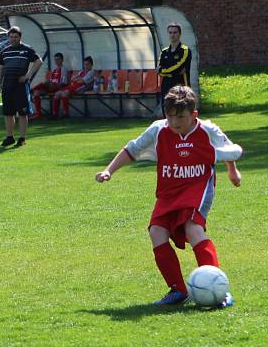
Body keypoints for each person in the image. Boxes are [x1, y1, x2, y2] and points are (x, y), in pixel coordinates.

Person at [95, 86, 242, 308]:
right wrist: (109, 170)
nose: (174, 122)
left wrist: (232, 170)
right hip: (168, 191)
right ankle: (178, 290)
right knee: (156, 232)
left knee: (193, 229)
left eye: (180, 117)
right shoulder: (158, 130)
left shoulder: (207, 130)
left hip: (197, 187)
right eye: (170, 116)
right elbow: (132, 150)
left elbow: (227, 148)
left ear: (194, 115)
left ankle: (219, 291)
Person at [0, 26, 42, 147]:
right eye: (11, 37)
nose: (13, 39)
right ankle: (9, 137)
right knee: (8, 113)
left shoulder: (27, 50)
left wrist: (27, 76)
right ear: (8, 38)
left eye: (15, 37)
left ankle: (22, 138)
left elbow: (39, 61)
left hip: (20, 86)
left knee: (22, 113)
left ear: (20, 37)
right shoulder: (5, 51)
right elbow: (0, 67)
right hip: (7, 86)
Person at [157, 22, 192, 116]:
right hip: (166, 84)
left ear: (180, 34)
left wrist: (163, 70)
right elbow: (159, 68)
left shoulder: (185, 50)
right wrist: (165, 71)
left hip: (181, 84)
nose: (172, 35)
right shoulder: (164, 52)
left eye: (175, 32)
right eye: (170, 32)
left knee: (181, 110)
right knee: (166, 108)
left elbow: (179, 66)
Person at [29, 52, 66, 120]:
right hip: (51, 87)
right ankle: (39, 114)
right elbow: (51, 80)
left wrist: (54, 85)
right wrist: (50, 83)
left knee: (44, 83)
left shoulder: (64, 69)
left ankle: (30, 90)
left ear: (62, 60)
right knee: (36, 92)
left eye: (58, 59)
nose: (56, 61)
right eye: (55, 60)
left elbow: (63, 83)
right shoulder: (54, 70)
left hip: (58, 87)